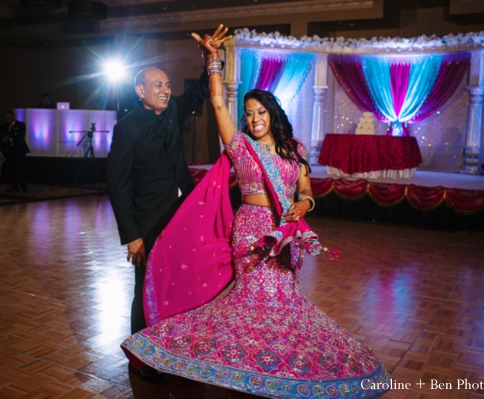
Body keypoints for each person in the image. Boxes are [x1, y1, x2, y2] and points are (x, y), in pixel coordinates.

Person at [120, 26, 391, 398]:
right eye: (248, 114)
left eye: (259, 112)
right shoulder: (240, 146)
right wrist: (213, 60)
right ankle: (246, 364)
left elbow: (306, 188)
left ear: (272, 112)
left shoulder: (295, 148)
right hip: (251, 233)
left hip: (285, 233)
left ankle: (276, 360)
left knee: (283, 300)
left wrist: (304, 203)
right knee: (253, 300)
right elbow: (216, 102)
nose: (253, 119)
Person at [107, 24, 232, 384]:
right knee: (143, 288)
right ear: (140, 90)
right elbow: (117, 185)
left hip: (181, 216)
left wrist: (211, 58)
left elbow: (201, 93)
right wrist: (132, 235)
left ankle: (172, 350)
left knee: (176, 282)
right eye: (157, 85)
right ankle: (141, 360)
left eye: (166, 85)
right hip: (148, 222)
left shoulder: (175, 109)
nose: (165, 90)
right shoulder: (127, 128)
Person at [2, 112, 30, 193]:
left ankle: (23, 187)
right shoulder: (5, 126)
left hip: (19, 150)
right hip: (10, 150)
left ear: (13, 117)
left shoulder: (20, 125)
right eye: (6, 119)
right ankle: (14, 186)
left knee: (21, 169)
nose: (8, 120)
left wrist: (10, 137)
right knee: (11, 169)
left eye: (9, 118)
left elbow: (20, 135)